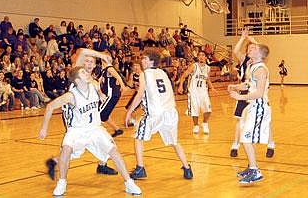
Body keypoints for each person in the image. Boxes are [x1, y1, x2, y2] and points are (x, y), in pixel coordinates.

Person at [39, 66, 142, 196]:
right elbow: (50, 106)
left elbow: (98, 84)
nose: (87, 73)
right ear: (76, 80)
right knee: (66, 150)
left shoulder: (93, 85)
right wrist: (44, 128)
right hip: (77, 130)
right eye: (83, 72)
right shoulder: (71, 96)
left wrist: (101, 93)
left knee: (114, 151)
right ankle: (62, 182)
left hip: (95, 128)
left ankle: (129, 182)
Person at [125, 48, 193, 180]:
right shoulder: (162, 72)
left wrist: (129, 111)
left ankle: (140, 168)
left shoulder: (145, 74)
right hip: (170, 111)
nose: (142, 61)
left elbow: (139, 94)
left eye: (145, 59)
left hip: (155, 113)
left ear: (152, 61)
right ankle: (187, 168)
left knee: (138, 137)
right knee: (174, 141)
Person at [228, 43, 271, 185]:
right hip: (252, 106)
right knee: (244, 137)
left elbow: (258, 93)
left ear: (260, 54)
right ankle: (251, 167)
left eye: (253, 49)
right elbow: (247, 85)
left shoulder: (261, 70)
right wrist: (235, 86)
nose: (249, 50)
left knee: (245, 138)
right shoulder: (252, 66)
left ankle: (255, 171)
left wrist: (239, 97)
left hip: (259, 106)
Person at [230, 29, 275, 158]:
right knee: (240, 121)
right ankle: (236, 145)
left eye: (253, 48)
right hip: (245, 90)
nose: (251, 49)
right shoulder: (245, 60)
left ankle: (270, 144)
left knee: (265, 122)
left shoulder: (259, 66)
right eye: (249, 48)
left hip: (256, 96)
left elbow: (261, 50)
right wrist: (243, 38)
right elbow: (235, 51)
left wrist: (251, 39)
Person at [178, 51, 214, 134]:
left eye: (203, 55)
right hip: (194, 91)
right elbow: (184, 76)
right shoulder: (194, 66)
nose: (201, 57)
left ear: (206, 57)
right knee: (195, 110)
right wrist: (180, 86)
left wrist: (212, 87)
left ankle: (204, 123)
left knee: (208, 110)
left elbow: (207, 79)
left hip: (204, 91)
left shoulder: (208, 68)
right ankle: (196, 126)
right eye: (199, 55)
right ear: (197, 57)